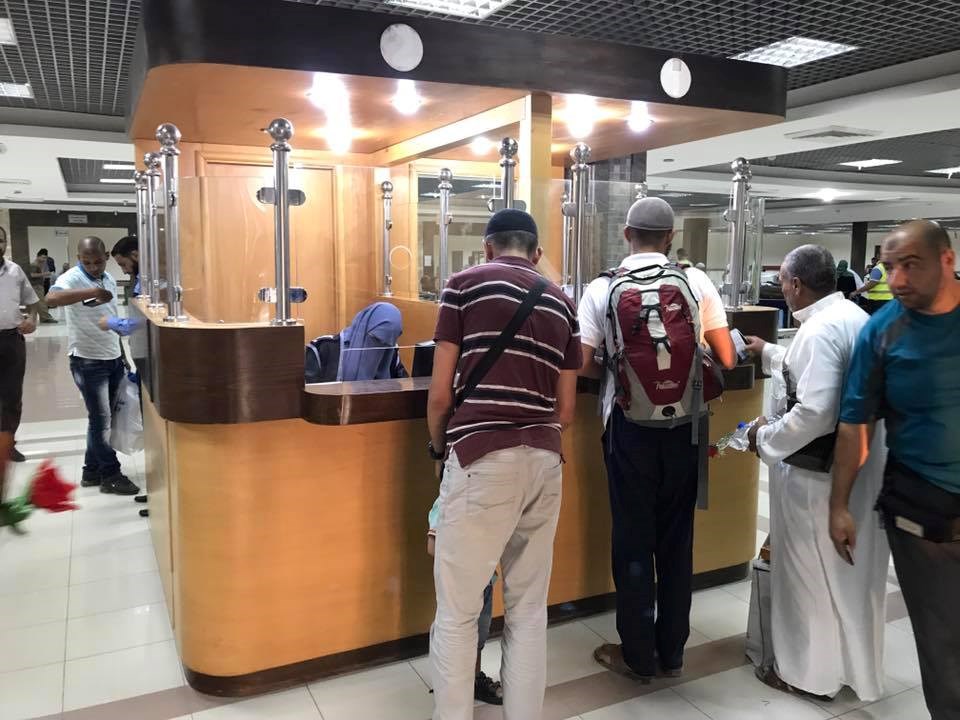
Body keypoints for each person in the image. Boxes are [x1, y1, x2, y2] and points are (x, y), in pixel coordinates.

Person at [428, 208, 580, 720]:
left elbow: (440, 394)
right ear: (537, 254)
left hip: (480, 456)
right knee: (529, 610)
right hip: (545, 460)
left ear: (488, 248)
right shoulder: (562, 301)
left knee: (457, 612)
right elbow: (566, 410)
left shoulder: (462, 285)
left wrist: (439, 450)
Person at [578, 197, 736, 680]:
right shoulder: (695, 281)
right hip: (686, 429)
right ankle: (672, 652)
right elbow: (727, 358)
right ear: (671, 237)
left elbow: (581, 363)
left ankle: (637, 654)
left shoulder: (602, 288)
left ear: (626, 234)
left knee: (632, 541)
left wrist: (617, 368)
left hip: (628, 429)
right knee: (676, 541)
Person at [743, 245, 888, 702]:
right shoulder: (853, 318)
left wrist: (764, 437)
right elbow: (815, 371)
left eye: (784, 283)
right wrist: (769, 352)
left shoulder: (819, 331)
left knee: (807, 575)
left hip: (816, 476)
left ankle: (808, 675)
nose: (783, 290)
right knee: (849, 579)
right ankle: (850, 670)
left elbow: (816, 411)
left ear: (796, 284)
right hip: (860, 469)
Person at [830, 220, 960, 720]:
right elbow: (855, 425)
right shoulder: (882, 332)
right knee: (944, 650)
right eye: (889, 267)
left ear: (947, 260)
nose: (897, 279)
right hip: (923, 515)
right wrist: (840, 505)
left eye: (910, 265)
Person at [46, 237, 139, 495]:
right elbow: (51, 298)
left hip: (112, 358)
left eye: (98, 262)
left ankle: (91, 470)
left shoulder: (108, 278)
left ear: (106, 256)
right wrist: (92, 292)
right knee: (101, 420)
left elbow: (110, 317)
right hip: (87, 361)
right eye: (87, 262)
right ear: (79, 259)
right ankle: (110, 474)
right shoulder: (72, 277)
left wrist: (122, 356)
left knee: (102, 419)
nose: (93, 267)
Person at [426, 496, 501, 706]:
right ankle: (451, 683)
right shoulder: (445, 503)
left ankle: (474, 679)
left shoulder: (486, 501)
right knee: (456, 635)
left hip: (484, 582)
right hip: (461, 585)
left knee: (479, 636)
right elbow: (432, 547)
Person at [0, 228, 40, 463]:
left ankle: (7, 446)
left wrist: (32, 319)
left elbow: (32, 301)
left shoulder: (15, 271)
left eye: (1, 240)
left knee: (12, 396)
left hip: (11, 340)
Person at [304, 302, 407, 383]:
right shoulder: (322, 349)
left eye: (388, 342)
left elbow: (405, 391)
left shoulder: (390, 351)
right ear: (364, 328)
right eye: (376, 339)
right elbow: (307, 397)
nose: (381, 347)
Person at [28, 249, 57, 324]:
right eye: (43, 257)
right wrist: (45, 274)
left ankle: (43, 318)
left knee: (38, 303)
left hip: (37, 285)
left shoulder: (38, 265)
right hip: (36, 286)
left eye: (45, 258)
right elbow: (32, 275)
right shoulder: (34, 265)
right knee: (42, 302)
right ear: (38, 256)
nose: (44, 260)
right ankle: (46, 318)